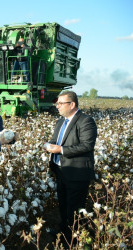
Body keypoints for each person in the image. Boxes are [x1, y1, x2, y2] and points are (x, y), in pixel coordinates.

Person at [44, 90, 97, 243]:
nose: (57, 107)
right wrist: (47, 145)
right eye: (57, 103)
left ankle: (71, 240)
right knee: (63, 204)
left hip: (77, 173)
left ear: (72, 104)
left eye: (61, 103)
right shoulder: (60, 121)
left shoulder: (86, 121)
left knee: (74, 209)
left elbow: (87, 145)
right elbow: (54, 140)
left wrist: (61, 150)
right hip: (60, 170)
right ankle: (62, 230)